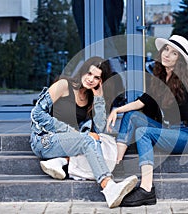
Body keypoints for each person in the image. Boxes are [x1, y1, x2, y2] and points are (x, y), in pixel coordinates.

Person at [106, 35, 188, 207]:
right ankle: (115, 165)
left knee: (143, 132)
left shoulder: (181, 83)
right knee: (131, 116)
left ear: (179, 60)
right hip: (167, 131)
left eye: (174, 53)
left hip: (185, 136)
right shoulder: (160, 77)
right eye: (166, 50)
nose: (167, 55)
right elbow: (143, 101)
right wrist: (117, 110)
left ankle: (146, 190)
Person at [29, 56, 138, 208]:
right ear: (82, 71)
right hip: (44, 140)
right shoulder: (63, 85)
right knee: (87, 140)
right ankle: (109, 187)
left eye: (97, 77)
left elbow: (99, 129)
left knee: (99, 138)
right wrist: (73, 132)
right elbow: (37, 113)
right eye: (89, 74)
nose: (91, 79)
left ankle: (61, 161)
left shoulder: (90, 97)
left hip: (68, 143)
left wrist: (99, 98)